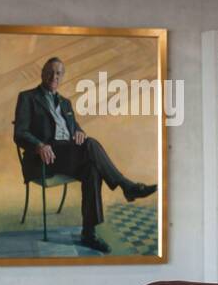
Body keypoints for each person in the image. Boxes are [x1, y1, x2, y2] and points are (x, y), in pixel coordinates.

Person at [13, 57, 157, 253]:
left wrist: (79, 131)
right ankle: (126, 186)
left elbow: (73, 127)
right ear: (42, 73)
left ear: (62, 77)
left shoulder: (65, 103)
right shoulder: (28, 97)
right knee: (91, 146)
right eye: (50, 72)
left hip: (68, 154)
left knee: (92, 168)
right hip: (44, 158)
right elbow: (20, 133)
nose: (54, 76)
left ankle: (88, 233)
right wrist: (39, 145)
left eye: (58, 73)